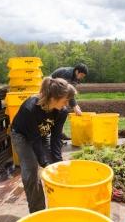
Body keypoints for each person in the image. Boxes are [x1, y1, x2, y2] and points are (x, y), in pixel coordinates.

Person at [10, 77, 77, 213]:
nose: (67, 104)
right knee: (31, 170)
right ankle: (38, 212)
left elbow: (56, 138)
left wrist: (57, 162)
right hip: (22, 135)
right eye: (65, 100)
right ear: (53, 98)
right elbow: (34, 140)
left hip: (41, 134)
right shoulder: (30, 108)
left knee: (54, 165)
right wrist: (44, 163)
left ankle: (57, 205)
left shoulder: (62, 111)